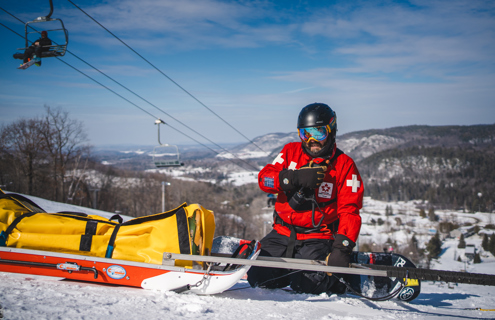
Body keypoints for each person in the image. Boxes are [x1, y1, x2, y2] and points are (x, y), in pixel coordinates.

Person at [247, 102, 364, 295]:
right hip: (283, 232)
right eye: (305, 134)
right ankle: (289, 271)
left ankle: (332, 277)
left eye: (318, 133)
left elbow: (350, 211)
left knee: (309, 285)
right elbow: (264, 179)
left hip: (318, 236)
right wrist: (291, 178)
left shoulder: (345, 165)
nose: (311, 140)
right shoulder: (290, 152)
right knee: (258, 277)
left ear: (331, 130)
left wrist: (342, 248)